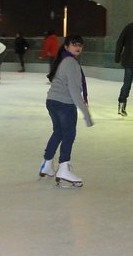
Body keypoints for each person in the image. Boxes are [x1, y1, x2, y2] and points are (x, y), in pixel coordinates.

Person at [38, 34, 93, 188]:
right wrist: (86, 114)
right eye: (74, 44)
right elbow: (74, 91)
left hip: (52, 101)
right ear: (67, 46)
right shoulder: (71, 63)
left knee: (59, 132)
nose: (78, 47)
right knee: (69, 135)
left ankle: (47, 163)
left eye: (80, 45)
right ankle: (64, 169)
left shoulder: (63, 60)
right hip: (64, 104)